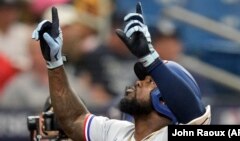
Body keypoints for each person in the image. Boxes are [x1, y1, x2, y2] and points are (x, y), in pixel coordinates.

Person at [32, 2, 211, 141]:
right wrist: (54, 64)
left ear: (164, 101)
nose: (138, 81)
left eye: (149, 82)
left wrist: (151, 58)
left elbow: (193, 113)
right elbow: (74, 120)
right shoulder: (116, 131)